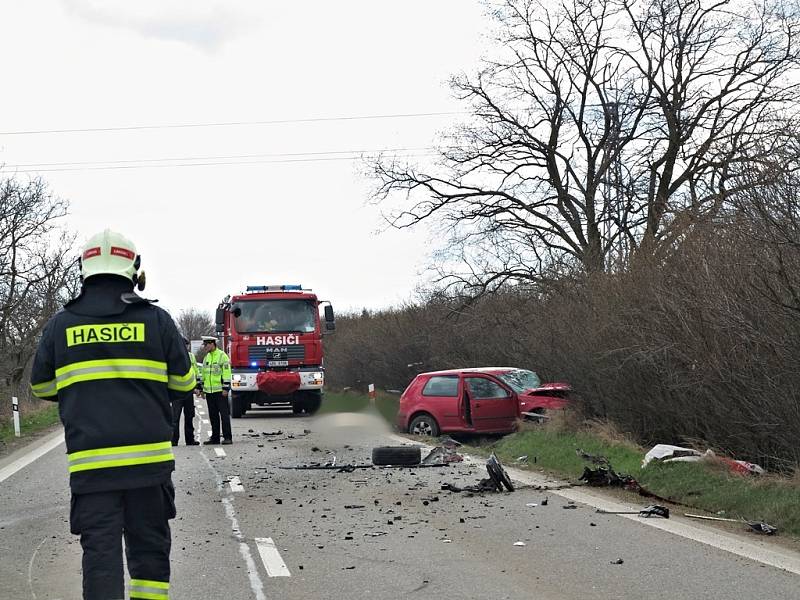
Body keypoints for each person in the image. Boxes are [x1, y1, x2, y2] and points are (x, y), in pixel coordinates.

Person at [29, 229, 194, 600]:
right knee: (149, 551)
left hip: (91, 468)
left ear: (84, 270)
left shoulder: (61, 325)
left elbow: (41, 388)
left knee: (100, 556)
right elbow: (183, 383)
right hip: (149, 467)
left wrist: (82, 388)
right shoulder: (156, 320)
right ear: (134, 270)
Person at [200, 335, 232, 445]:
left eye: (206, 345)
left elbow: (227, 373)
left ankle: (228, 437)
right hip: (209, 392)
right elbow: (203, 374)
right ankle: (215, 438)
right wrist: (202, 389)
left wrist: (226, 388)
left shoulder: (222, 356)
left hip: (220, 392)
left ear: (212, 343)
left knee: (224, 415)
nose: (205, 347)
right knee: (213, 416)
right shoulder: (206, 358)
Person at [172, 337, 199, 446]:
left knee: (189, 416)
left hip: (188, 391)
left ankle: (190, 440)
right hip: (176, 391)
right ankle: (173, 440)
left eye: (187, 345)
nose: (186, 347)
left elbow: (195, 372)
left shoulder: (191, 356)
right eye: (185, 345)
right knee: (175, 418)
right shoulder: (173, 356)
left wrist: (196, 386)